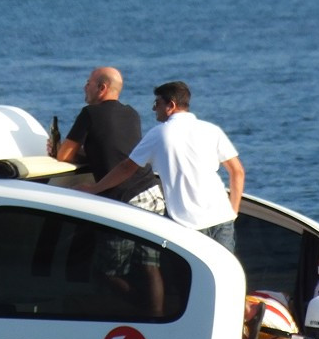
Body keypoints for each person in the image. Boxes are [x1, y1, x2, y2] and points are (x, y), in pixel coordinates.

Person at [78, 80, 245, 252]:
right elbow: (237, 172)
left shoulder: (159, 133)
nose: (153, 109)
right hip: (222, 217)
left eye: (156, 103)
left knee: (184, 277)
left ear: (171, 105)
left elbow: (126, 168)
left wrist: (95, 188)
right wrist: (233, 212)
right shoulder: (211, 130)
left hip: (188, 224)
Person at [54, 67, 166, 314]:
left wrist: (57, 149)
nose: (85, 87)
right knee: (150, 266)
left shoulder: (89, 114)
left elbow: (64, 156)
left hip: (126, 199)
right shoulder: (132, 114)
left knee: (106, 272)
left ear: (101, 88)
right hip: (151, 192)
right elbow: (114, 151)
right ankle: (158, 318)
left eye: (88, 83)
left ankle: (144, 309)